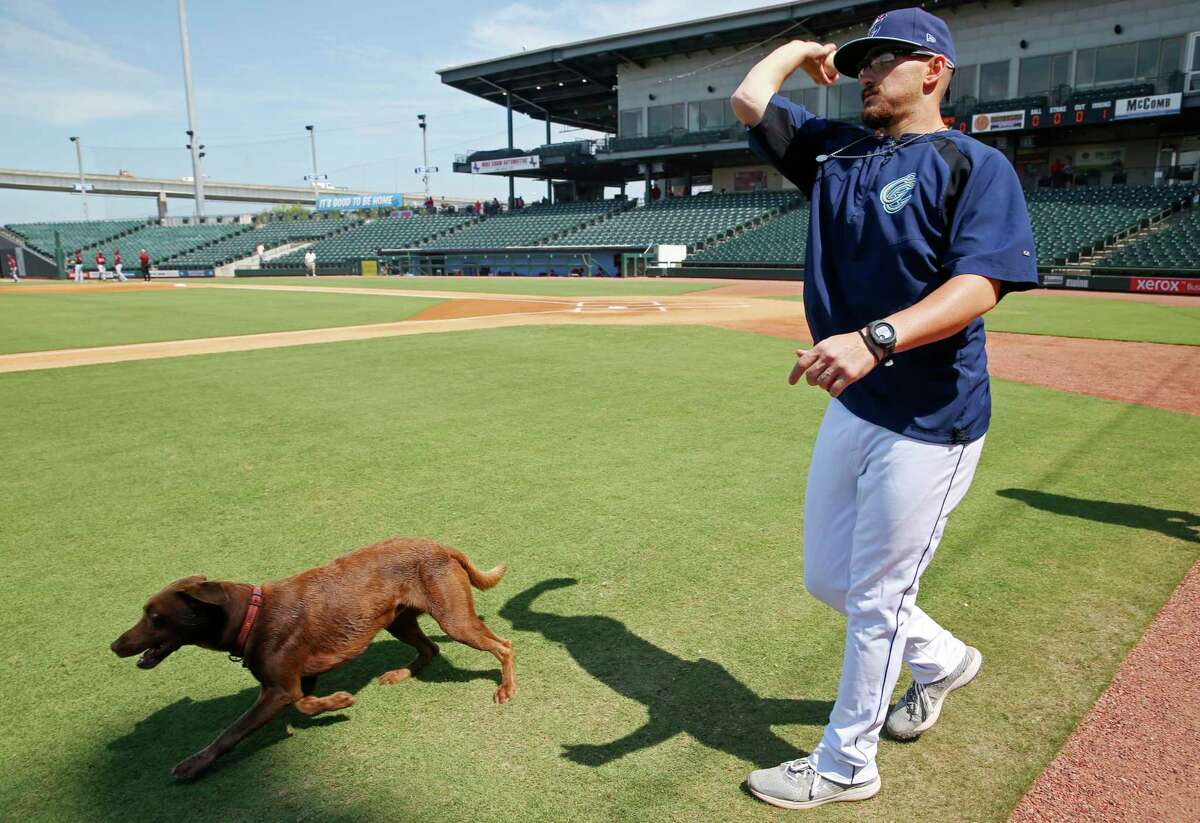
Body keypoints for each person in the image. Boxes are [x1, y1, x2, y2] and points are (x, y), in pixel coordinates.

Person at [731, 7, 1037, 810]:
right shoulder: (838, 155)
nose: (866, 73)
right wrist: (801, 50)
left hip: (933, 418)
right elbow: (748, 100)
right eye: (860, 62)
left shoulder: (974, 164)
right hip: (860, 406)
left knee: (875, 596)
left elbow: (980, 285)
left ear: (933, 70)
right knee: (828, 576)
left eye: (884, 61)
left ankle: (846, 763)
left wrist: (876, 337)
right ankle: (943, 661)